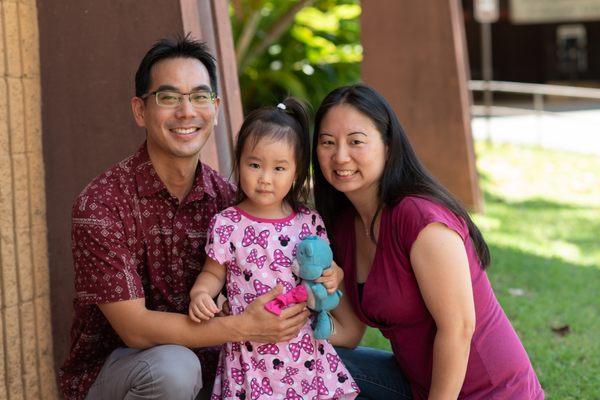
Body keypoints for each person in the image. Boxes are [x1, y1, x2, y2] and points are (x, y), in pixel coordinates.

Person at [59, 36, 315, 400]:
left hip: (220, 368)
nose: (186, 111)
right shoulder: (102, 205)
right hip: (119, 374)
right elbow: (136, 330)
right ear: (140, 110)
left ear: (215, 107)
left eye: (198, 96)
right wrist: (243, 326)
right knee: (174, 369)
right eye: (168, 98)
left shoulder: (228, 201)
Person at [312, 84, 545, 399]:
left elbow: (458, 329)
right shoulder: (342, 225)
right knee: (306, 363)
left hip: (492, 392)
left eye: (356, 141)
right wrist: (281, 332)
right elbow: (351, 332)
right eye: (327, 142)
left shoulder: (421, 218)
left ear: (389, 146)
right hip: (418, 385)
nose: (340, 156)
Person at [189, 98, 359, 400]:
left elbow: (326, 269)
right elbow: (212, 273)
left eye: (279, 168)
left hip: (302, 350)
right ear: (239, 163)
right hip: (249, 351)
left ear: (295, 173)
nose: (265, 178)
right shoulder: (228, 223)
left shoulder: (308, 222)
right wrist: (201, 293)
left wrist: (335, 274)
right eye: (254, 165)